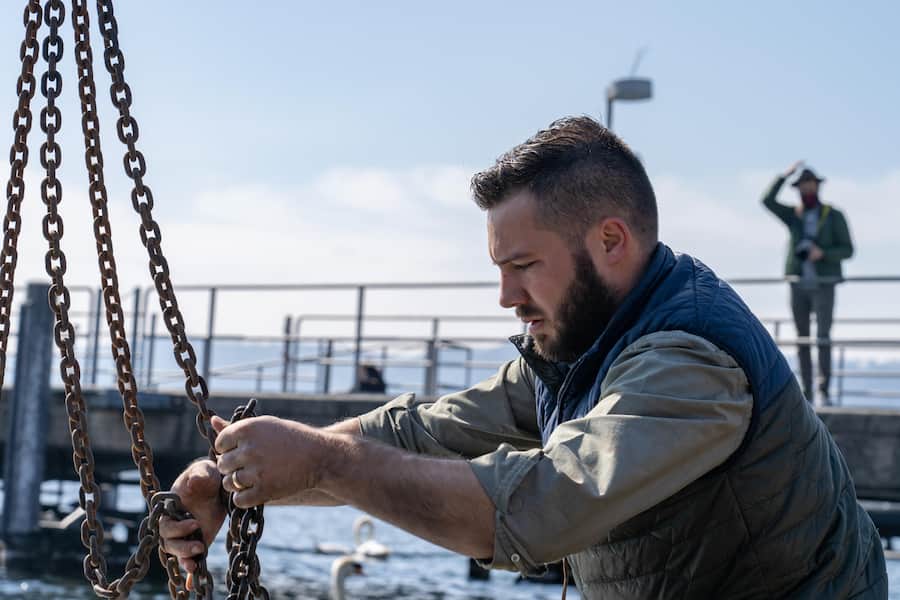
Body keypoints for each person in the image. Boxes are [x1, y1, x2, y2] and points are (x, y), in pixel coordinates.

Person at [161, 117, 886, 599]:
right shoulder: (575, 349)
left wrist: (325, 464)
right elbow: (418, 434)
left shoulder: (691, 364)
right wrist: (233, 477)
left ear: (610, 241)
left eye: (524, 266)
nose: (506, 296)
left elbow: (538, 506)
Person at [762, 162, 854, 404]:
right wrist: (783, 175)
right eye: (802, 184)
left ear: (817, 185)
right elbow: (767, 201)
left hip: (824, 282)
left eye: (810, 183)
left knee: (822, 337)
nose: (807, 188)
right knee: (801, 338)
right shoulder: (794, 216)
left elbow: (848, 249)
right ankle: (807, 391)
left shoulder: (833, 216)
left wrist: (822, 253)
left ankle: (824, 390)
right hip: (798, 283)